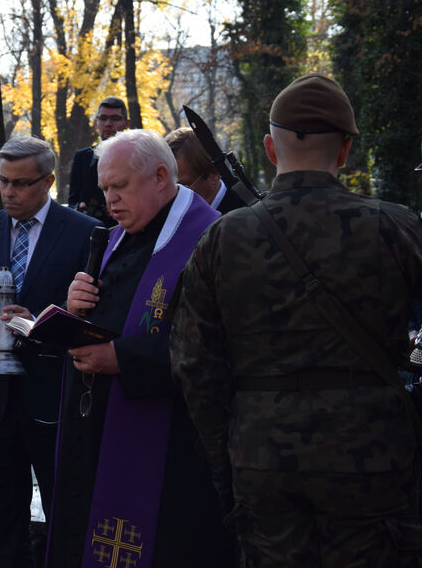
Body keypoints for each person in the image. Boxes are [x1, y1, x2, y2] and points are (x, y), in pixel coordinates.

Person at [170, 74, 422, 565]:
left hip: (262, 457)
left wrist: (226, 458)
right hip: (373, 454)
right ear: (345, 150)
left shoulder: (221, 239)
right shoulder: (395, 226)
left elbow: (193, 366)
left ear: (270, 149)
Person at [51, 128, 232, 567]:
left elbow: (222, 346)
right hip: (97, 430)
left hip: (173, 446)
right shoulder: (114, 239)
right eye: (104, 189)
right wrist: (74, 308)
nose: (109, 200)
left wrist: (122, 359)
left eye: (120, 186)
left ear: (160, 177)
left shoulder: (210, 239)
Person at [0, 136, 101, 568]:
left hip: (56, 398)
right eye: (2, 181)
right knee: (5, 524)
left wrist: (39, 321)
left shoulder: (85, 232)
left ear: (48, 181)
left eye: (20, 183)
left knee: (65, 520)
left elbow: (96, 311)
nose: (8, 192)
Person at [66, 96, 131, 224]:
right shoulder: (82, 158)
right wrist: (79, 208)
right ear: (96, 122)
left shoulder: (137, 157)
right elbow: (72, 201)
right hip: (87, 228)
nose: (108, 124)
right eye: (103, 118)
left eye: (115, 118)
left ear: (127, 123)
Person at [164, 127, 246, 214]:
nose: (173, 198)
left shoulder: (246, 215)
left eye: (182, 187)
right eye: (166, 188)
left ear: (214, 174)